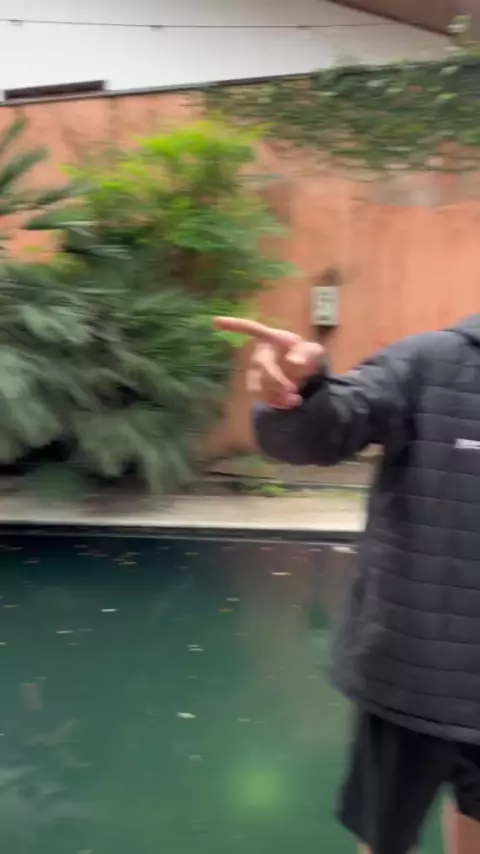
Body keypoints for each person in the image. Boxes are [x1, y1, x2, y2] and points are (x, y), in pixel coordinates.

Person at [214, 315, 480, 854]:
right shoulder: (431, 362)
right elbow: (331, 424)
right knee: (386, 836)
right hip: (411, 673)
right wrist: (298, 397)